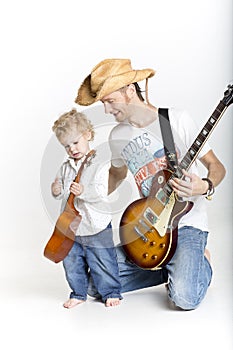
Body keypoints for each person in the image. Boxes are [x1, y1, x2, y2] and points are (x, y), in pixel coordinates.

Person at [75, 58, 226, 310]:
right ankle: (172, 266)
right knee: (95, 285)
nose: (106, 110)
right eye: (103, 103)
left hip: (185, 225)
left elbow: (217, 167)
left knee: (185, 298)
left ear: (129, 90)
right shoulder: (118, 136)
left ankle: (200, 261)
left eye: (109, 101)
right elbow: (116, 175)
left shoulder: (176, 120)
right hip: (146, 228)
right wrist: (91, 197)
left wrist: (205, 185)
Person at [51, 108, 122, 308]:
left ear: (88, 135)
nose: (72, 149)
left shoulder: (97, 163)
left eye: (75, 142)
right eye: (66, 146)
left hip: (95, 224)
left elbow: (101, 192)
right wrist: (55, 189)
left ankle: (111, 291)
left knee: (102, 260)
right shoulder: (65, 167)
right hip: (71, 226)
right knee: (71, 261)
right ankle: (78, 293)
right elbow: (61, 190)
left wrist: (83, 191)